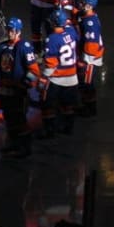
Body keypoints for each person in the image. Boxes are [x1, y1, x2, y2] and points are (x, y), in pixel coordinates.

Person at [0, 16, 40, 158]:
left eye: (12, 30)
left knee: (19, 119)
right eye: (8, 29)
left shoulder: (24, 48)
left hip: (18, 93)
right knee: (8, 118)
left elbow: (34, 71)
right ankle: (13, 143)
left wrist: (22, 86)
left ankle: (25, 146)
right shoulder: (2, 47)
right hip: (4, 92)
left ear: (18, 31)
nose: (10, 32)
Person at [36, 8, 79, 139]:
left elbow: (51, 64)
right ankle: (68, 127)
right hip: (72, 77)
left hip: (57, 78)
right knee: (68, 105)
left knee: (47, 104)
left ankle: (49, 131)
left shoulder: (52, 39)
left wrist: (43, 78)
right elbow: (72, 28)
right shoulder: (71, 32)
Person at [75, 0, 104, 117]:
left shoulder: (90, 23)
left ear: (89, 6)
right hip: (89, 57)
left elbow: (92, 45)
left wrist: (85, 60)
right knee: (85, 84)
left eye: (83, 3)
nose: (80, 4)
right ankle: (87, 105)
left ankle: (90, 109)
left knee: (87, 84)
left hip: (90, 60)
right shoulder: (88, 17)